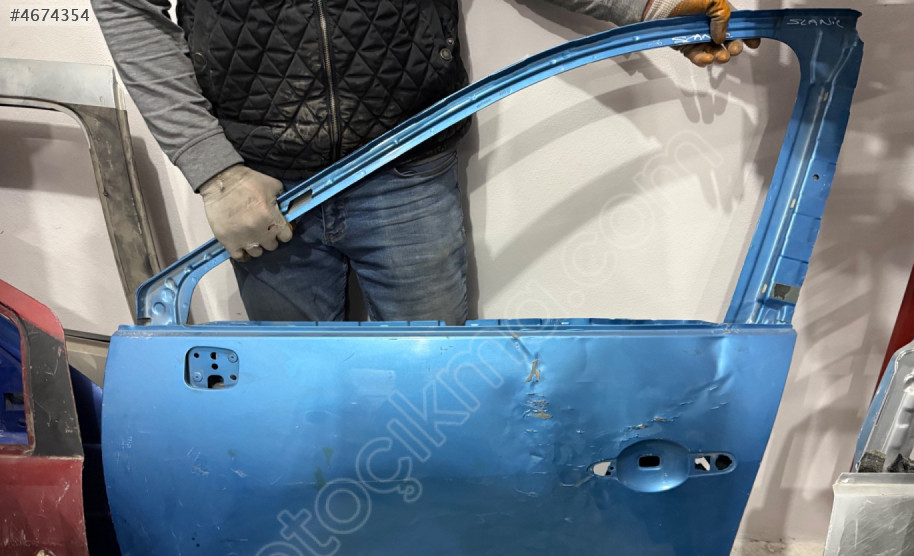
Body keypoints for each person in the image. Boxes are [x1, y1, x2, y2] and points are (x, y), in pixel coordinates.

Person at [91, 0, 756, 324]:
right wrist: (215, 171)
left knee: (428, 389)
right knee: (296, 404)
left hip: (406, 165)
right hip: (261, 183)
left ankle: (425, 540)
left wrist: (654, 8)